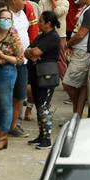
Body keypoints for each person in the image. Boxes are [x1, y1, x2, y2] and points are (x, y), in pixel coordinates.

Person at [24, 11, 62, 150]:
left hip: (46, 76)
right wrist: (32, 52)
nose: (38, 23)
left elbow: (34, 52)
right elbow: (28, 51)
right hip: (36, 75)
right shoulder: (42, 36)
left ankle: (47, 139)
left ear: (48, 24)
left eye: (40, 21)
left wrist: (33, 53)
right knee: (39, 106)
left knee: (43, 108)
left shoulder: (52, 37)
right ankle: (41, 135)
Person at [0, 8, 22, 150]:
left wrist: (2, 56)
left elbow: (20, 59)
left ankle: (2, 137)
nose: (5, 21)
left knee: (5, 104)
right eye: (3, 18)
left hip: (6, 71)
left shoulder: (13, 35)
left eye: (9, 19)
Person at [8, 0, 38, 138]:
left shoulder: (23, 13)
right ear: (14, 0)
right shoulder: (6, 15)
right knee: (7, 95)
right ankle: (4, 125)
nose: (25, 2)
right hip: (9, 63)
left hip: (23, 61)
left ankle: (13, 125)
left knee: (20, 95)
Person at [38, 0, 69, 78]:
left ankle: (64, 80)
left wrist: (53, 2)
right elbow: (41, 16)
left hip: (60, 35)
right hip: (44, 34)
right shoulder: (43, 1)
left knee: (61, 59)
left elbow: (57, 13)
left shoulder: (65, 2)